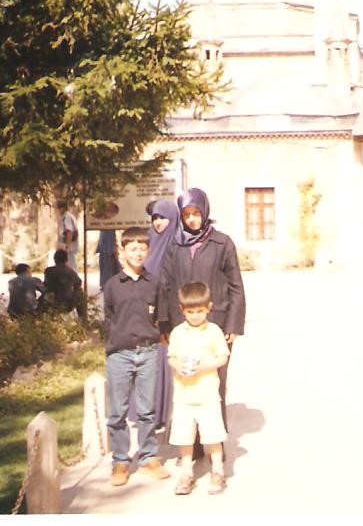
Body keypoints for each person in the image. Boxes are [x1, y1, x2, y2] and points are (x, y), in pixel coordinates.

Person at [160, 188, 246, 450]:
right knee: (187, 380)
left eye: (196, 213)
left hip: (216, 325)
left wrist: (233, 325)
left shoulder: (222, 243)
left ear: (205, 212)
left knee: (214, 382)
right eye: (187, 214)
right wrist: (164, 324)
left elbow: (236, 286)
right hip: (183, 326)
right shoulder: (174, 245)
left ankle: (215, 443)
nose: (192, 219)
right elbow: (165, 284)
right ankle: (192, 443)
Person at [103, 227, 170, 487]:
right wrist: (118, 341)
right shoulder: (112, 285)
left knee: (146, 410)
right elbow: (109, 317)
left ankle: (148, 457)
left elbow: (161, 316)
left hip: (148, 352)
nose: (138, 253)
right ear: (122, 251)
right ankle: (120, 461)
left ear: (148, 250)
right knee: (117, 412)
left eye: (142, 248)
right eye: (133, 248)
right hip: (119, 354)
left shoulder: (154, 283)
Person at [168, 282, 231, 496]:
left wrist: (204, 366)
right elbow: (172, 357)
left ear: (209, 308)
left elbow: (222, 357)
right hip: (184, 395)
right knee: (184, 437)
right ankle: (187, 473)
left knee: (212, 435)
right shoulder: (177, 333)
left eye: (199, 311)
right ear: (182, 310)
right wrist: (178, 366)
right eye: (190, 312)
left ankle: (217, 470)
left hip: (207, 394)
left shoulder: (213, 331)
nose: (195, 316)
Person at [143, 199, 182, 431]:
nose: (158, 223)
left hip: (171, 318)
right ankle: (153, 413)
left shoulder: (179, 245)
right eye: (155, 218)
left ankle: (169, 416)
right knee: (151, 367)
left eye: (162, 218)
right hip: (149, 317)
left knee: (170, 365)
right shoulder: (149, 244)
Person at [43, 249, 82, 316]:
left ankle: (39, 318)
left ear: (55, 259)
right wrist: (73, 296)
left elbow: (45, 285)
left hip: (52, 302)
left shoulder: (48, 271)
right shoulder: (71, 272)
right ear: (66, 260)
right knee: (81, 293)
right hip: (67, 303)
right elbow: (78, 283)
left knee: (44, 295)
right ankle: (83, 319)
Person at [56, 199, 80, 270]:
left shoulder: (67, 217)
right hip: (68, 246)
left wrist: (67, 247)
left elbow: (69, 232)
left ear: (62, 208)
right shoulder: (66, 216)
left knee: (70, 266)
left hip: (69, 247)